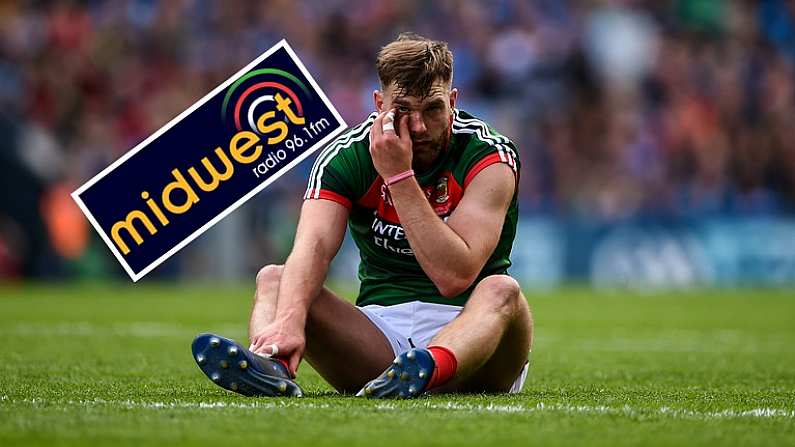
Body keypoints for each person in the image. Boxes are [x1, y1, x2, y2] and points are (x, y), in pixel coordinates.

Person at [192, 33, 533, 398]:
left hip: (477, 344)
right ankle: (272, 363)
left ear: (452, 102)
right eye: (402, 110)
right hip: (379, 344)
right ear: (378, 104)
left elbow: (455, 275)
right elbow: (314, 246)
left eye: (432, 109)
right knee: (276, 279)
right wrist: (291, 320)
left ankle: (427, 367)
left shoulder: (488, 155)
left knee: (502, 290)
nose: (417, 127)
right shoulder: (346, 156)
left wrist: (398, 176)